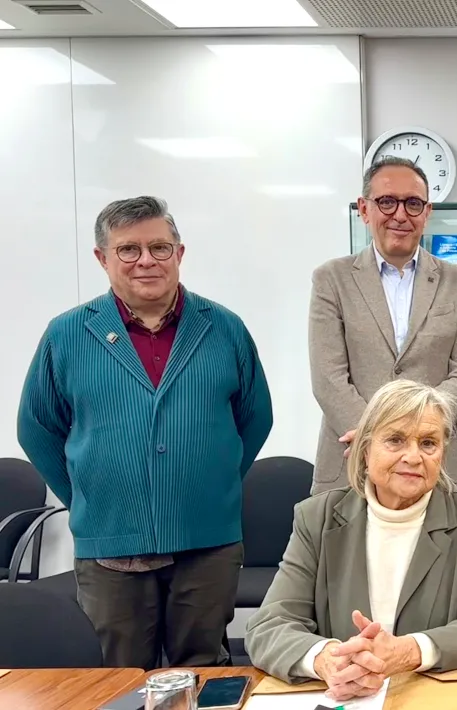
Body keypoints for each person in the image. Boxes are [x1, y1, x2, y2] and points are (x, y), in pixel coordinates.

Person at [17, 196, 273, 669]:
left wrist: (209, 481)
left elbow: (255, 419)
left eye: (159, 247)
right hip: (110, 540)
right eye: (128, 250)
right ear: (103, 258)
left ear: (179, 252)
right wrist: (88, 495)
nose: (146, 261)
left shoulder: (224, 328)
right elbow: (37, 429)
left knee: (201, 673)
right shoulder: (67, 334)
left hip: (208, 541)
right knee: (117, 678)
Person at [246, 380, 457, 700]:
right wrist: (326, 658)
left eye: (428, 443)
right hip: (343, 699)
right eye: (395, 440)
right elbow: (269, 626)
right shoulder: (316, 518)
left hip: (431, 696)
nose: (413, 457)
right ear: (364, 450)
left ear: (442, 455)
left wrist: (409, 651)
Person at [309, 156, 457, 493]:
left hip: (440, 465)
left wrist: (419, 434)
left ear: (427, 212)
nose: (400, 214)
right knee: (353, 548)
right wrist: (378, 441)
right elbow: (328, 376)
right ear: (364, 209)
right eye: (387, 202)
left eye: (413, 203)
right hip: (353, 460)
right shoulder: (332, 279)